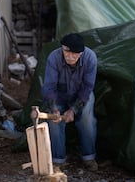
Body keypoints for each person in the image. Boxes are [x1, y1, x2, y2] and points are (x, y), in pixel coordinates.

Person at [41, 33, 98, 171]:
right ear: (62, 48)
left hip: (81, 95)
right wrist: (54, 108)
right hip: (59, 96)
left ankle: (89, 157)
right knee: (53, 122)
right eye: (66, 51)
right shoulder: (54, 58)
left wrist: (73, 110)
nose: (69, 56)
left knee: (87, 119)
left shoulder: (90, 58)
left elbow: (87, 88)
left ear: (81, 53)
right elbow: (49, 87)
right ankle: (58, 160)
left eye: (74, 53)